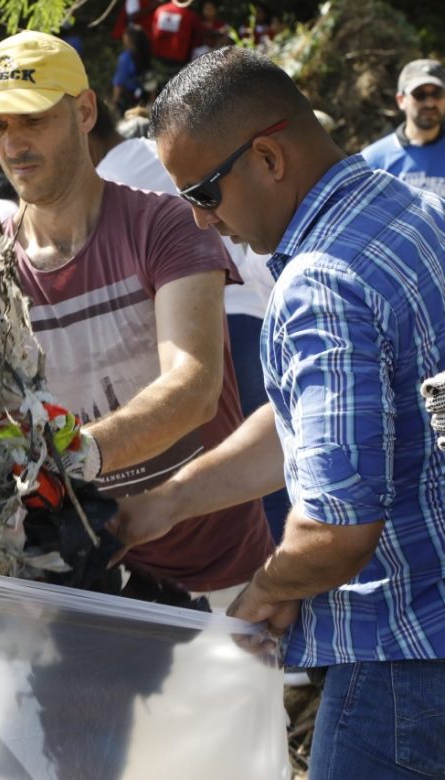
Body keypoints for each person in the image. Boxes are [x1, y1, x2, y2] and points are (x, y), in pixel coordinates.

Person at [119, 45, 445, 778]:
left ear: (267, 158)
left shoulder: (320, 281)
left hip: (403, 656)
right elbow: (322, 422)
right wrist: (168, 503)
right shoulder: (416, 207)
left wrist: (261, 595)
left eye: (203, 193)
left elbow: (334, 529)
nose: (203, 223)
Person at [0, 30, 272, 606]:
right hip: (80, 578)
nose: (14, 144)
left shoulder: (164, 225)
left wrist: (74, 456)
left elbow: (195, 386)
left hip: (211, 563)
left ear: (84, 112)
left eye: (33, 120)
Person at [88, 101, 289, 541]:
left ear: (85, 124)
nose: (202, 214)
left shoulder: (112, 186)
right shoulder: (154, 151)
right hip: (259, 312)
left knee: (260, 467)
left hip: (224, 318)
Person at [359, 58, 445, 196]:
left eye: (437, 94)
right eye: (419, 95)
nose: (429, 103)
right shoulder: (373, 161)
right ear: (401, 100)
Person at [149, 0, 202, 69]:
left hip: (158, 59)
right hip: (179, 61)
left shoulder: (160, 10)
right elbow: (197, 38)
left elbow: (154, 34)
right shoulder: (191, 15)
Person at [112, 24, 152, 113]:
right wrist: (152, 102)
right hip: (143, 100)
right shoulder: (147, 56)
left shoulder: (125, 58)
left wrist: (115, 101)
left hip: (128, 101)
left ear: (128, 38)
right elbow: (151, 81)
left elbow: (119, 82)